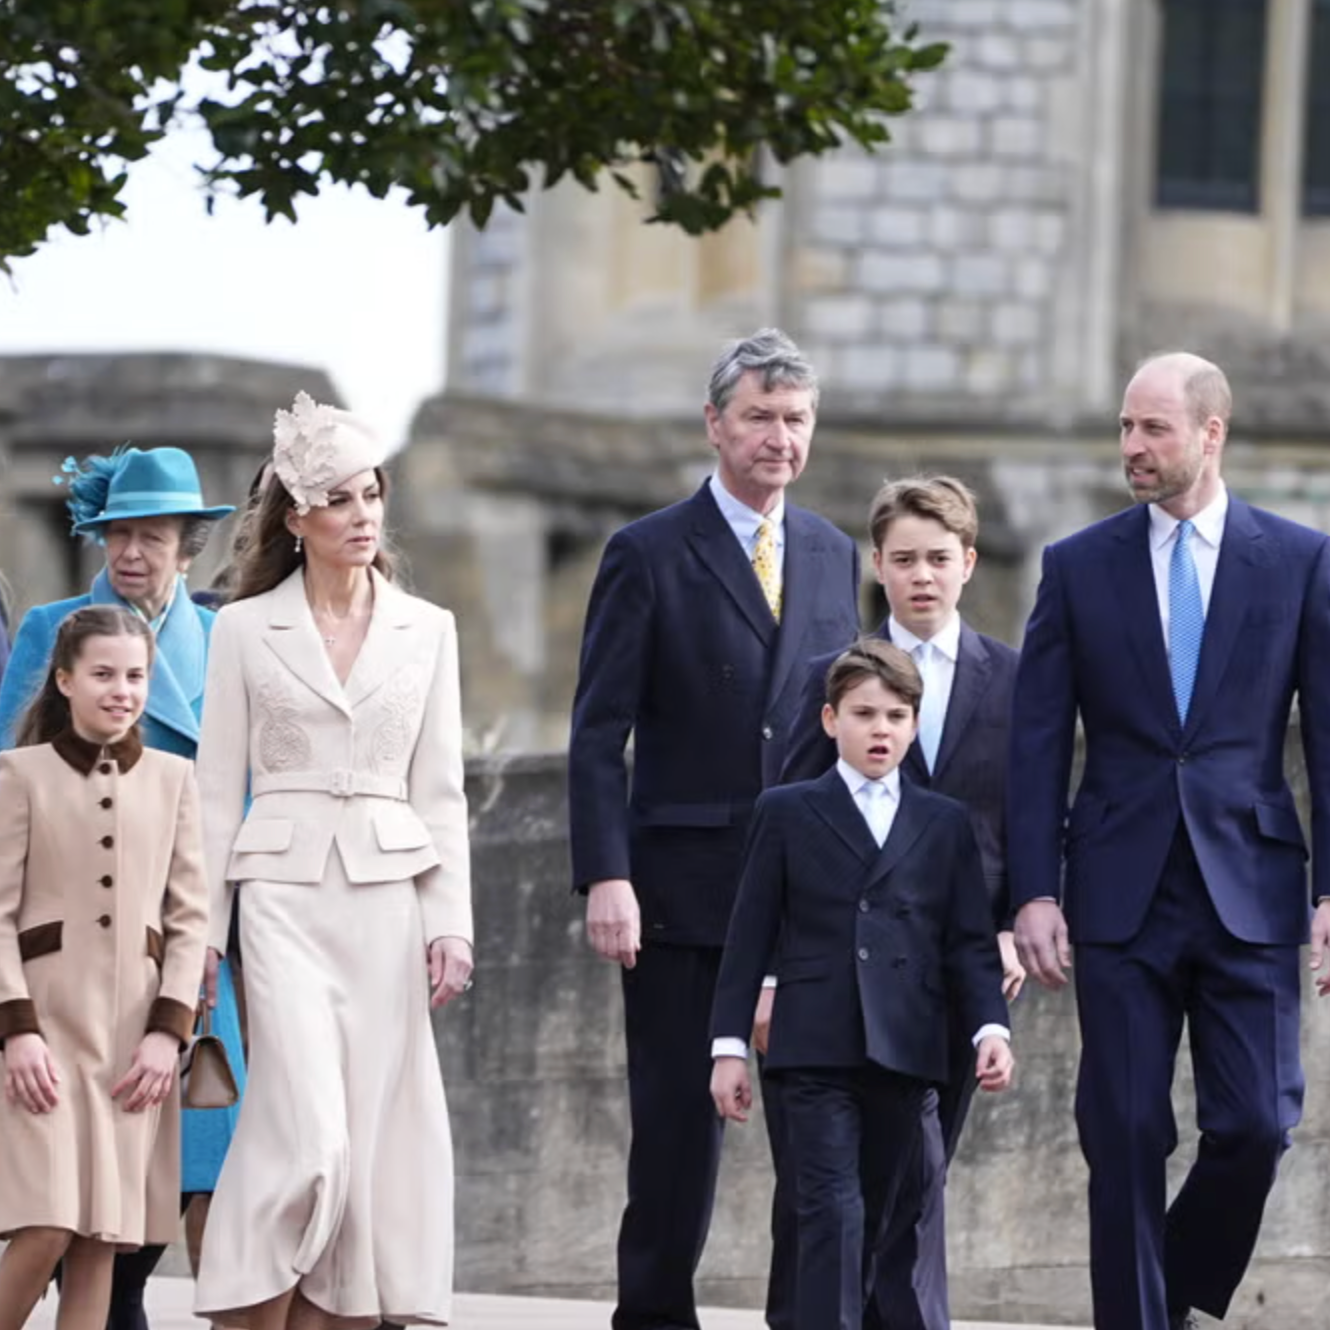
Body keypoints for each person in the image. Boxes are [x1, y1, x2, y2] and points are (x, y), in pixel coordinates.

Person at [1008, 352, 1330, 1330]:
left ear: (1210, 433)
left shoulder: (1300, 560)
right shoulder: (1076, 566)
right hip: (1116, 891)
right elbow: (1034, 741)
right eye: (1125, 427)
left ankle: (1173, 1286)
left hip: (1251, 887)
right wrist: (1032, 890)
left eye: (1153, 428)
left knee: (1257, 1125)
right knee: (1123, 1129)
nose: (1132, 447)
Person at [567, 328, 862, 1330]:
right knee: (676, 1141)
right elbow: (597, 732)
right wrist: (607, 875)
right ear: (714, 423)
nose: (780, 437)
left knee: (817, 1142)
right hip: (680, 892)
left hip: (808, 897)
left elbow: (834, 728)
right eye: (759, 417)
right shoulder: (647, 551)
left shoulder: (831, 552)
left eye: (796, 419)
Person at [193, 391, 474, 1329]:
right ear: (295, 518)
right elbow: (213, 793)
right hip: (279, 899)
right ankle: (242, 1299)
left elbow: (441, 791)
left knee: (369, 1140)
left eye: (373, 495)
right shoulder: (241, 629)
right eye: (339, 499)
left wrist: (452, 926)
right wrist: (200, 937)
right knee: (308, 1137)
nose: (363, 516)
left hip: (390, 905)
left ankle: (340, 1311)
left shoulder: (429, 629)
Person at [0, 445, 246, 1330]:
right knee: (57, 1217)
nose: (132, 552)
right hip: (61, 967)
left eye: (153, 536)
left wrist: (212, 937)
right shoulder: (51, 630)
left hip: (183, 949)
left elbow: (236, 791)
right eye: (118, 535)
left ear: (187, 545)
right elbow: (15, 774)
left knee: (158, 1198)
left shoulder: (222, 641)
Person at [710, 638, 1013, 1330]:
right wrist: (728, 1047)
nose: (881, 730)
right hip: (813, 1050)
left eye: (897, 716)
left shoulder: (943, 822)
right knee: (829, 1212)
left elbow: (968, 944)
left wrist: (990, 1028)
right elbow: (749, 937)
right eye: (864, 714)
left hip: (906, 1050)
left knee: (884, 1214)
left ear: (914, 723)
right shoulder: (785, 811)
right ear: (830, 720)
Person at [779, 475, 1022, 1330]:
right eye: (905, 559)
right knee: (829, 1176)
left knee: (921, 1171)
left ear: (969, 564)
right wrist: (775, 971)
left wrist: (1014, 923)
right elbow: (785, 824)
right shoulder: (830, 679)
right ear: (876, 565)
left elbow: (1033, 814)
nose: (923, 576)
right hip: (844, 974)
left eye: (939, 559)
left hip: (964, 962)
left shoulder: (1016, 677)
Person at [0, 605, 208, 1330]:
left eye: (136, 676)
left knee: (99, 1241)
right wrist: (17, 1031)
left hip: (132, 1044)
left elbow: (190, 918)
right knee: (47, 1226)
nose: (122, 691)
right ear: (64, 680)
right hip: (44, 1037)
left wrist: (167, 1034)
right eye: (103, 675)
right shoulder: (17, 775)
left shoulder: (175, 779)